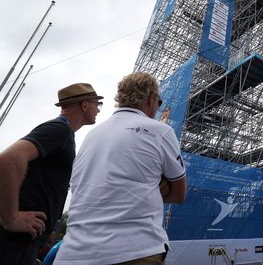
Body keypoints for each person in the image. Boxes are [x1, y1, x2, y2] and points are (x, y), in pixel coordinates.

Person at [54, 72, 187, 265]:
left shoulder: (91, 135)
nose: (158, 109)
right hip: (134, 252)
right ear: (151, 98)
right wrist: (151, 188)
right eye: (158, 103)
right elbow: (179, 194)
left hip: (71, 254)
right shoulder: (160, 131)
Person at [0, 83, 103, 265]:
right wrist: (11, 218)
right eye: (97, 104)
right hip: (15, 239)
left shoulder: (62, 132)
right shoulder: (59, 130)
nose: (99, 110)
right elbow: (8, 159)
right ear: (85, 105)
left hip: (23, 238)